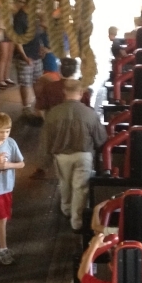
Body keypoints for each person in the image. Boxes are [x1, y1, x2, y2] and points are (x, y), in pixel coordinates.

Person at [38, 79, 107, 233]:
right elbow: (101, 138)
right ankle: (76, 221)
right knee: (80, 188)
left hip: (61, 156)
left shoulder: (53, 113)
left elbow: (46, 140)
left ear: (64, 93)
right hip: (84, 156)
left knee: (64, 183)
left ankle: (66, 208)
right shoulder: (89, 113)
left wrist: (44, 163)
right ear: (81, 93)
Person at [0, 112, 25, 265]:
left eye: (7, 131)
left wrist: (8, 165)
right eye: (1, 131)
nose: (4, 135)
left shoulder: (10, 143)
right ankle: (2, 250)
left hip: (7, 186)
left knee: (4, 217)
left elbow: (21, 163)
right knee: (2, 219)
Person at [12, 0, 43, 113]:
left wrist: (40, 47)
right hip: (25, 55)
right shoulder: (20, 18)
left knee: (37, 81)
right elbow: (17, 40)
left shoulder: (33, 15)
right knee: (25, 83)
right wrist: (25, 57)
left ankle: (38, 104)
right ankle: (26, 107)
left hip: (36, 53)